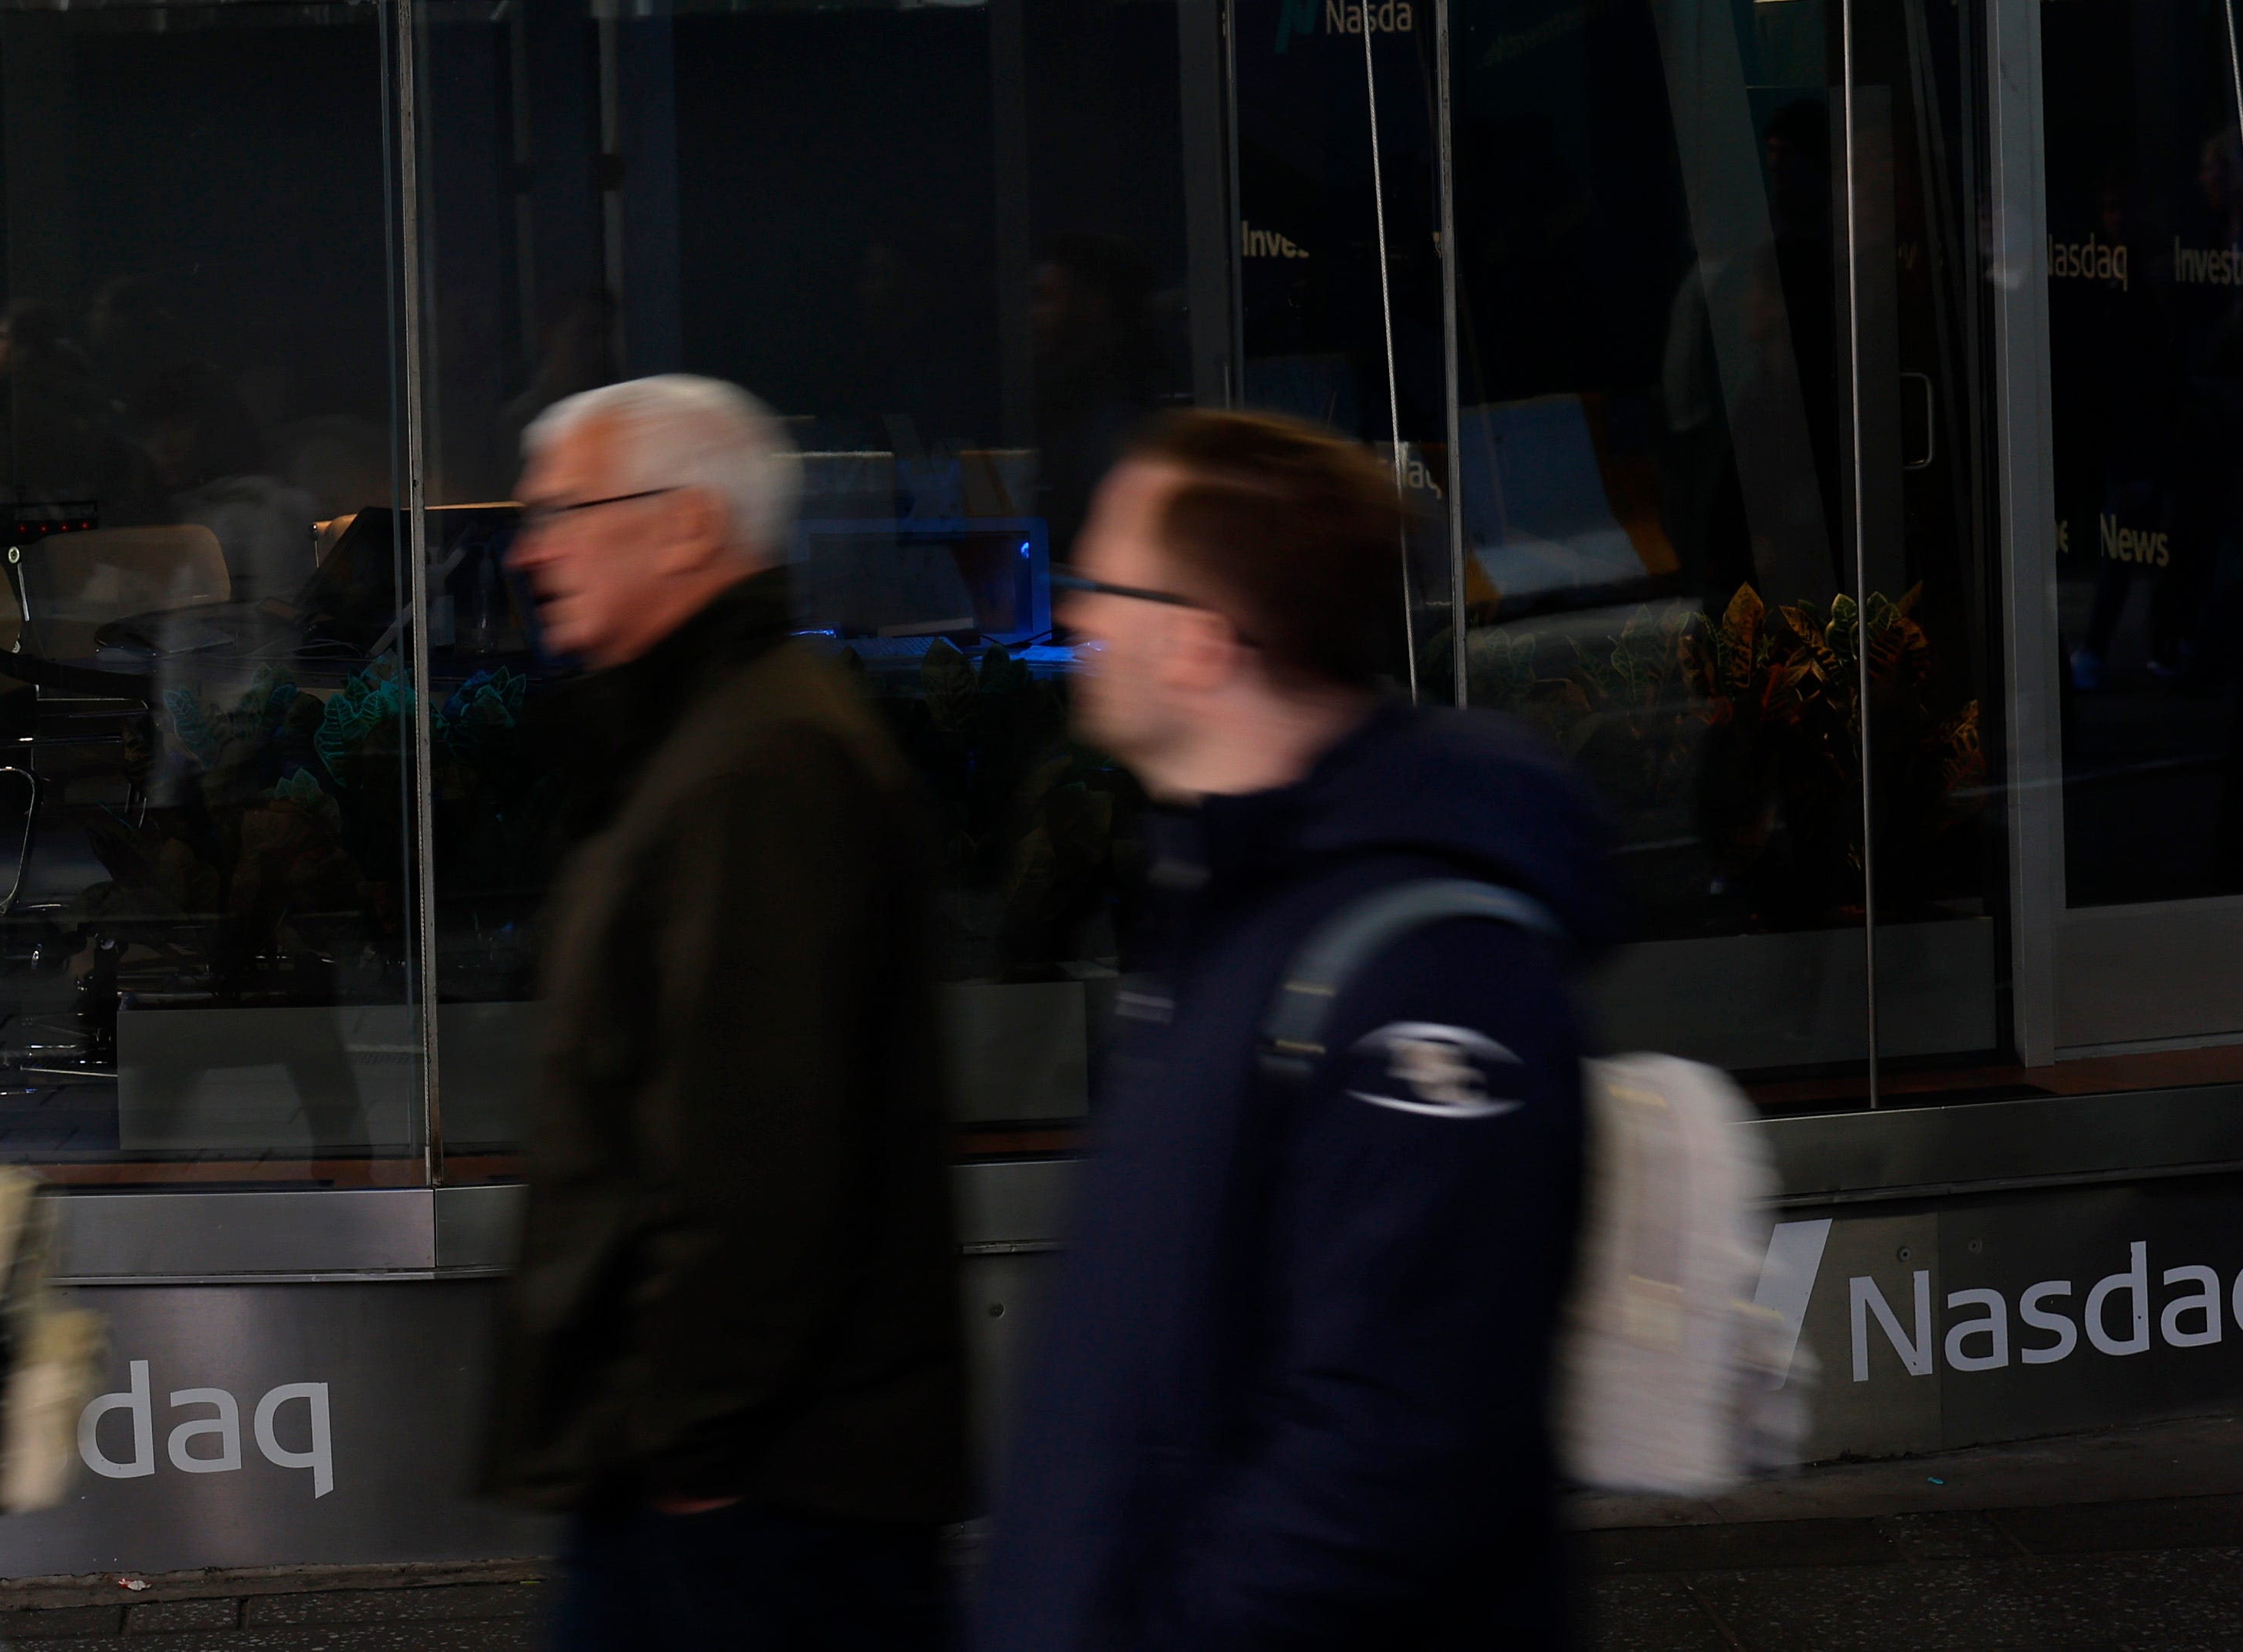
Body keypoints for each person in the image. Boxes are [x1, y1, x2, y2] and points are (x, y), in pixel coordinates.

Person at [971, 411, 1626, 1652]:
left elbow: (1386, 1458)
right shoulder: (1225, 902)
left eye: (1100, 584)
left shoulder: (1427, 973)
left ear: (1206, 642)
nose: (1069, 619)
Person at [485, 374, 968, 1651]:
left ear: (686, 525)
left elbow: (756, 1140)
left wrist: (691, 1441)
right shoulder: (702, 738)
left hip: (760, 1488)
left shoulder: (756, 764)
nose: (531, 550)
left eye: (565, 511)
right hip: (727, 1467)